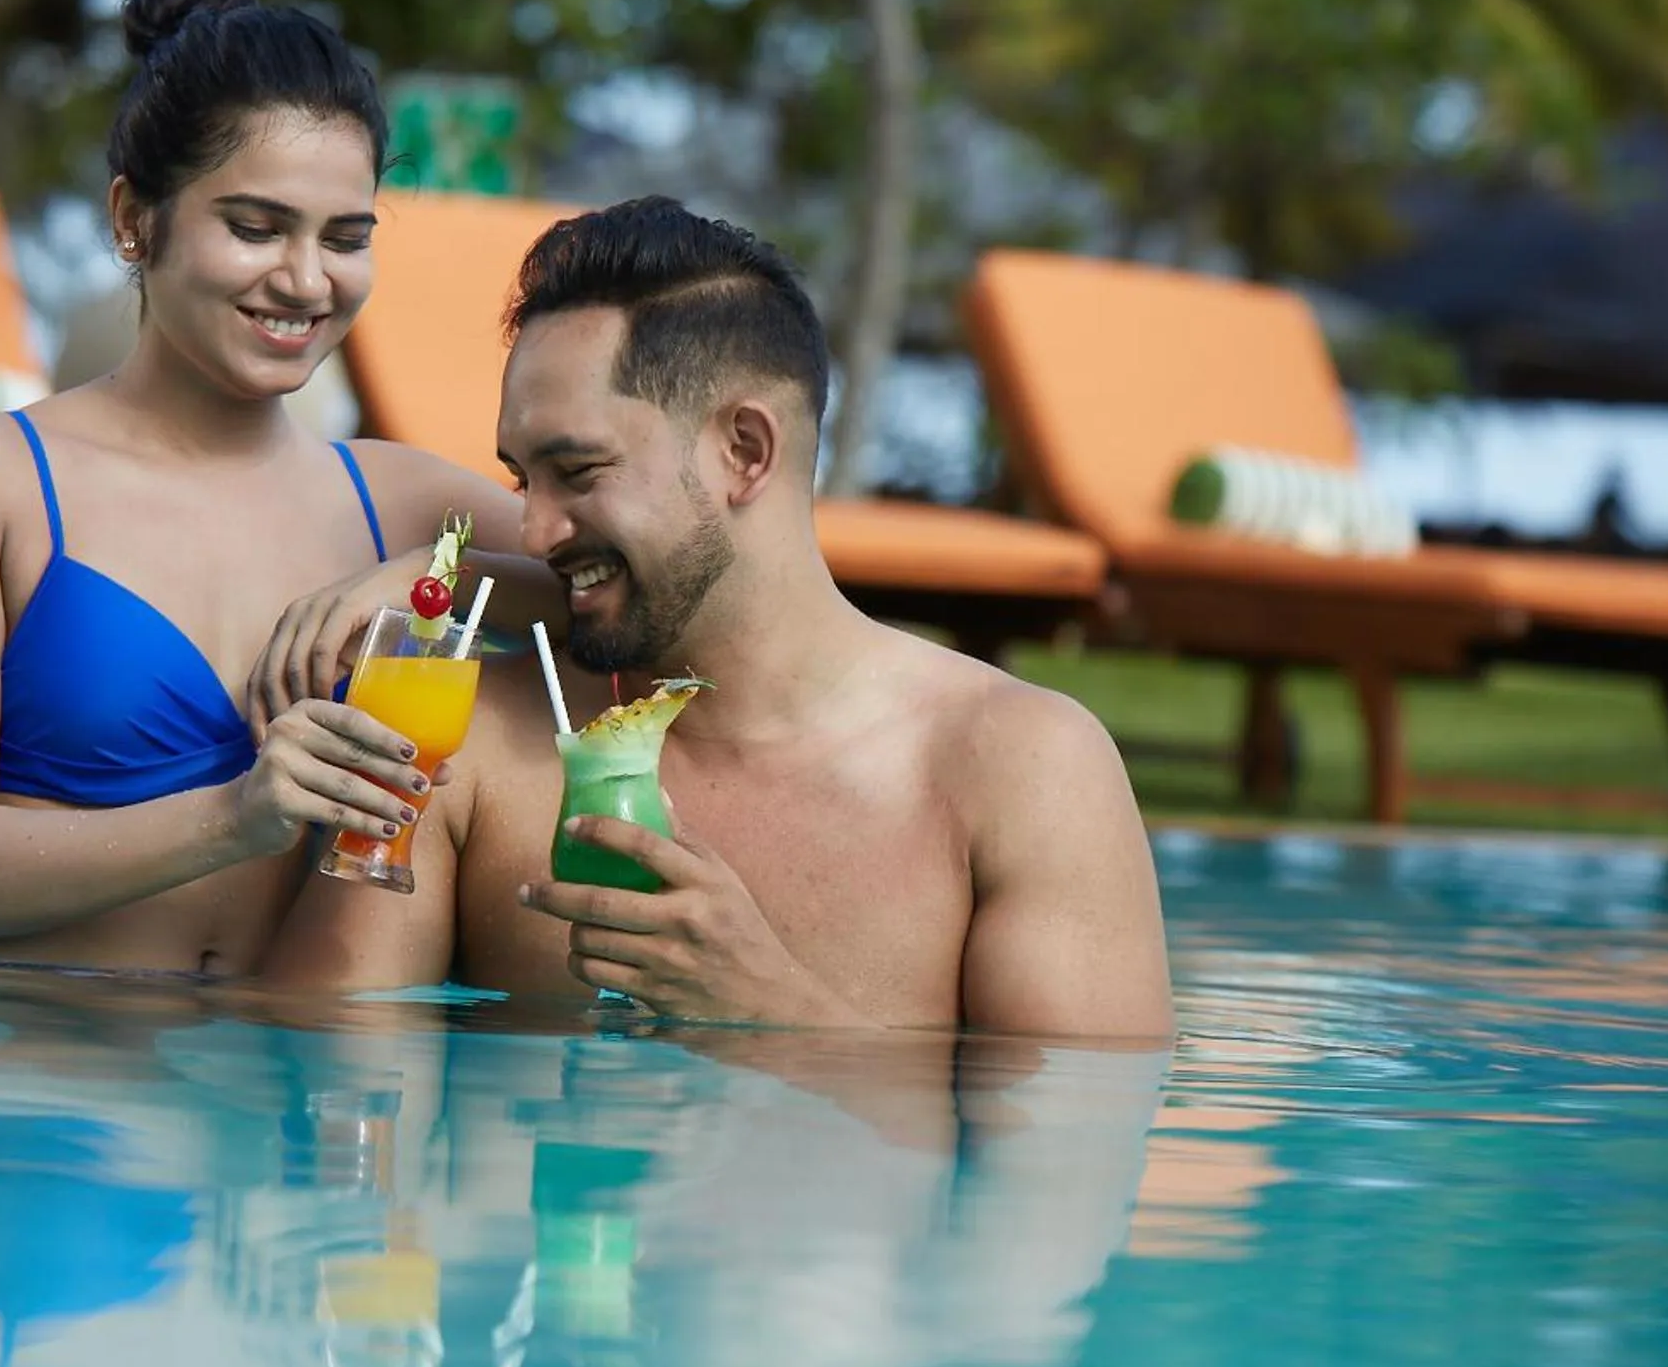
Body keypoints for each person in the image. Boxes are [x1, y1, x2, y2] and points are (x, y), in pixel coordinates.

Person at [267, 197, 1174, 1037]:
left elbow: (1060, 1172)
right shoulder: (472, 746)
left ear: (745, 451)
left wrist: (772, 1015)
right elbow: (308, 1094)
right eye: (521, 480)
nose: (535, 528)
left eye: (579, 473)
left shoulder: (1022, 772)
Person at [0, 0, 547, 971]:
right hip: (24, 1075)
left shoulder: (399, 505)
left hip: (280, 1095)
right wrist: (232, 818)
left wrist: (431, 582)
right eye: (256, 228)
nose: (307, 282)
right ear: (136, 218)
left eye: (344, 239)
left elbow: (652, 606)